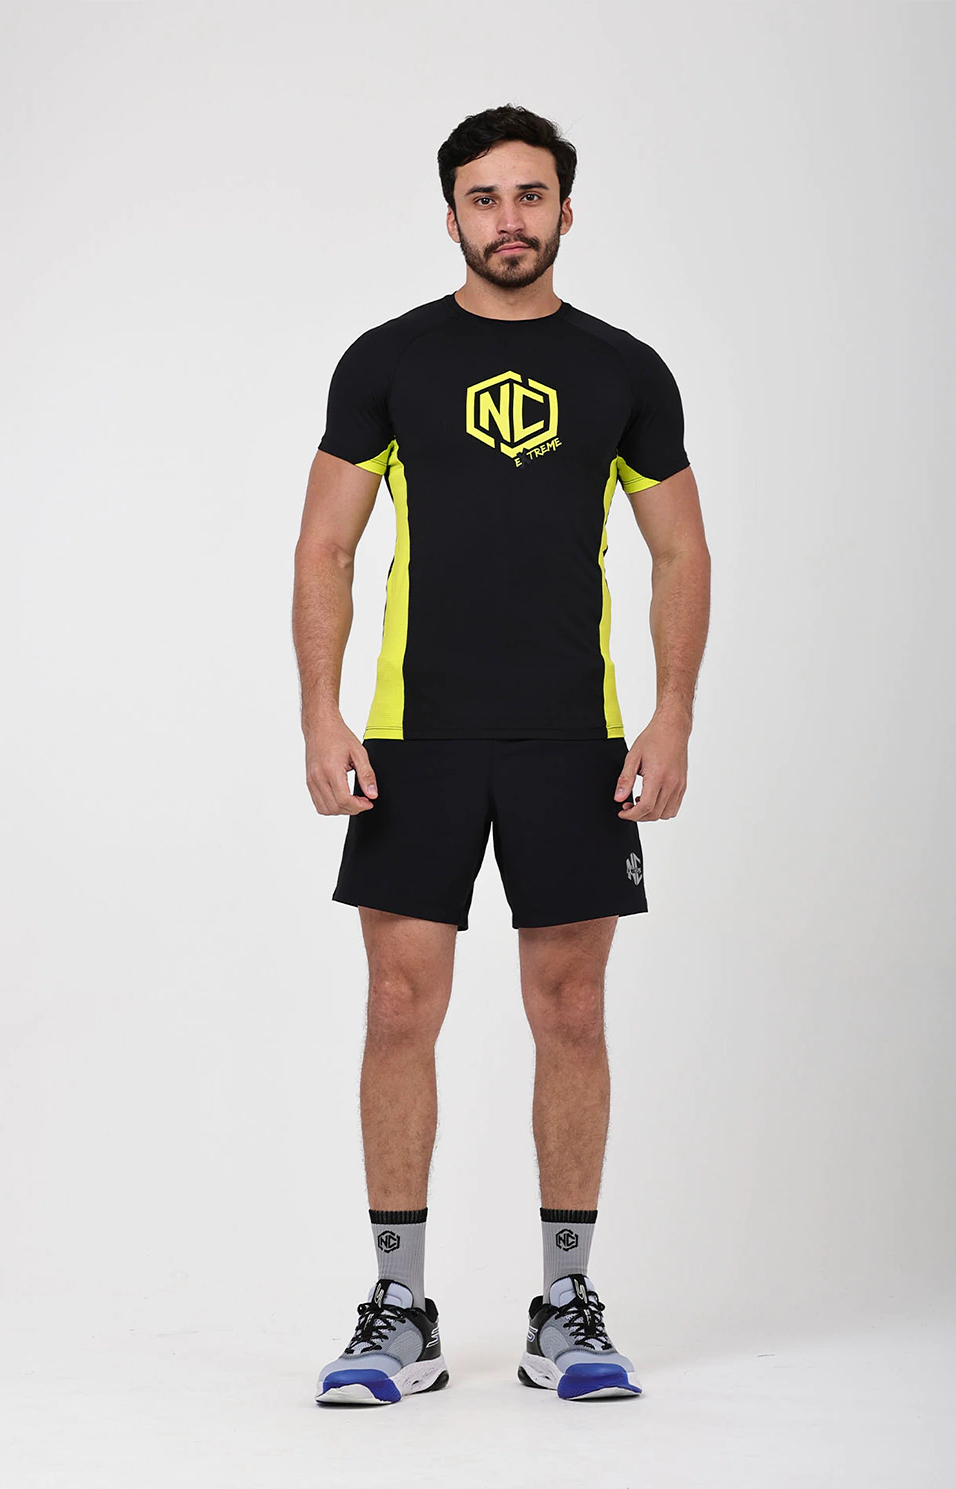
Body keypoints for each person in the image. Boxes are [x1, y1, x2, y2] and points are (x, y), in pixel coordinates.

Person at [293, 103, 711, 1405]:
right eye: (485, 198)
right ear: (452, 215)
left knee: (571, 1009)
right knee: (398, 1006)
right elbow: (325, 544)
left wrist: (672, 716)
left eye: (532, 195)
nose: (510, 219)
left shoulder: (624, 371)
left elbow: (680, 548)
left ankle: (566, 1307)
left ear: (567, 210)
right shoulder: (389, 361)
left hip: (572, 739)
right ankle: (400, 1313)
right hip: (416, 735)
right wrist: (319, 711)